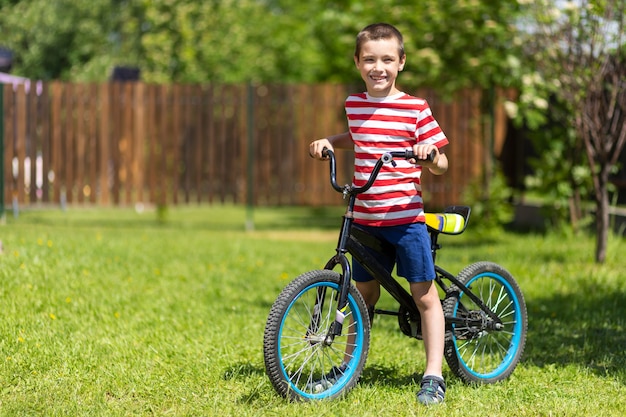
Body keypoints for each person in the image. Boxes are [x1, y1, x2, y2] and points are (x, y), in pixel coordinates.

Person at [308, 23, 449, 406]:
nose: (378, 67)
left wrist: (429, 155)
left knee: (423, 297)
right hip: (365, 218)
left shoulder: (415, 108)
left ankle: (434, 375)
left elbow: (443, 161)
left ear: (401, 62)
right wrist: (329, 142)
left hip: (405, 219)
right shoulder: (354, 104)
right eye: (369, 59)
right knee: (363, 295)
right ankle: (348, 366)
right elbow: (360, 135)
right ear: (357, 62)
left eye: (387, 59)